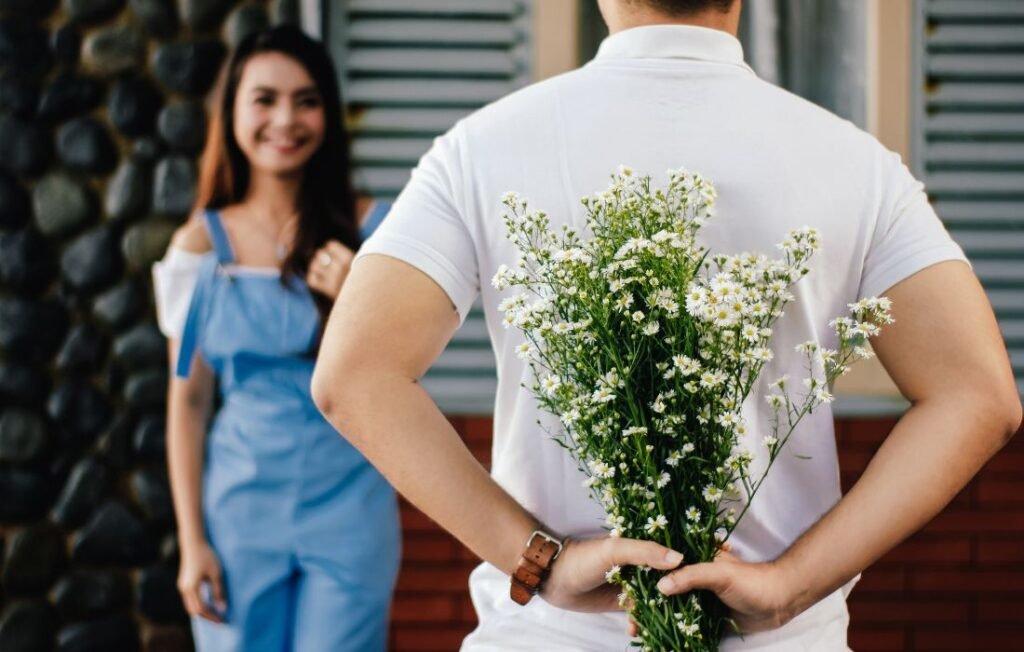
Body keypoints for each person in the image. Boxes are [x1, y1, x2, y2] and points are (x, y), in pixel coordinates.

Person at [311, 0, 1022, 650]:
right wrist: (791, 584)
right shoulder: (857, 163)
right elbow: (979, 396)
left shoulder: (482, 148)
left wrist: (540, 562)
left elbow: (354, 375)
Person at [153, 26, 399, 652]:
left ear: (329, 114)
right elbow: (187, 401)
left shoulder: (376, 231)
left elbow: (407, 377)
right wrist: (192, 542)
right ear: (232, 110)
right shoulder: (201, 245)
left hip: (352, 508)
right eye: (264, 99)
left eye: (307, 99)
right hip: (238, 514)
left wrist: (357, 304)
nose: (285, 119)